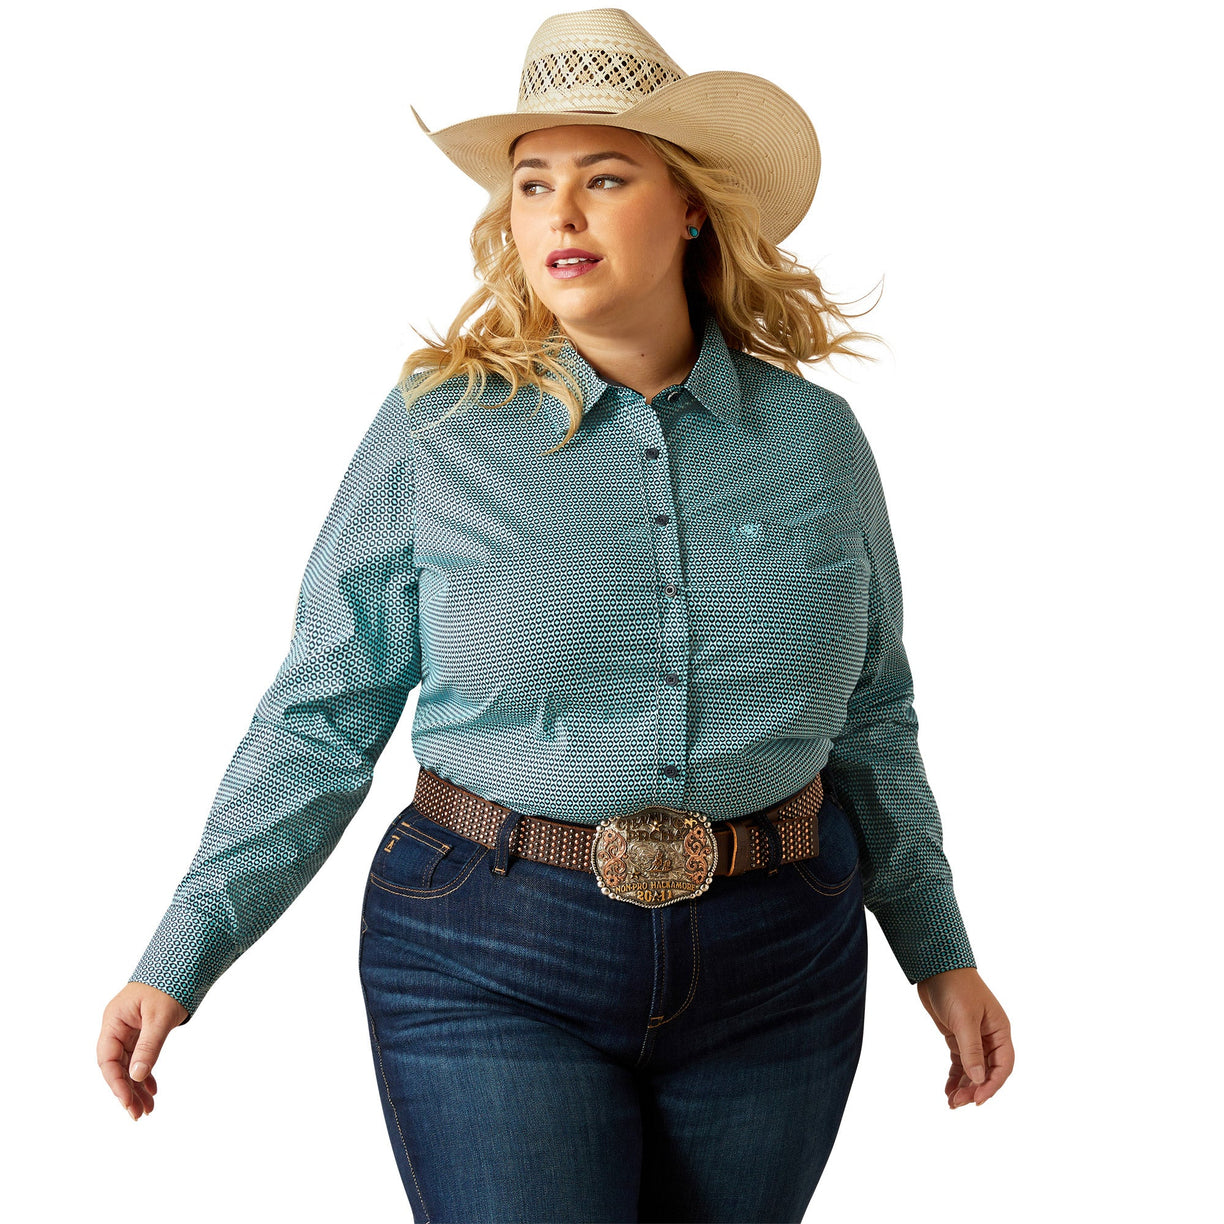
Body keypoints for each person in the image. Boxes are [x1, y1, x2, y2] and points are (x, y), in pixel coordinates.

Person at [98, 8, 1014, 1221]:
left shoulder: (816, 444)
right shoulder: (439, 428)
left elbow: (874, 721)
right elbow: (324, 711)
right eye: (533, 184)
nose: (560, 214)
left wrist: (938, 951)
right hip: (490, 951)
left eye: (604, 177)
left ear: (691, 206)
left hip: (782, 960)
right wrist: (186, 947)